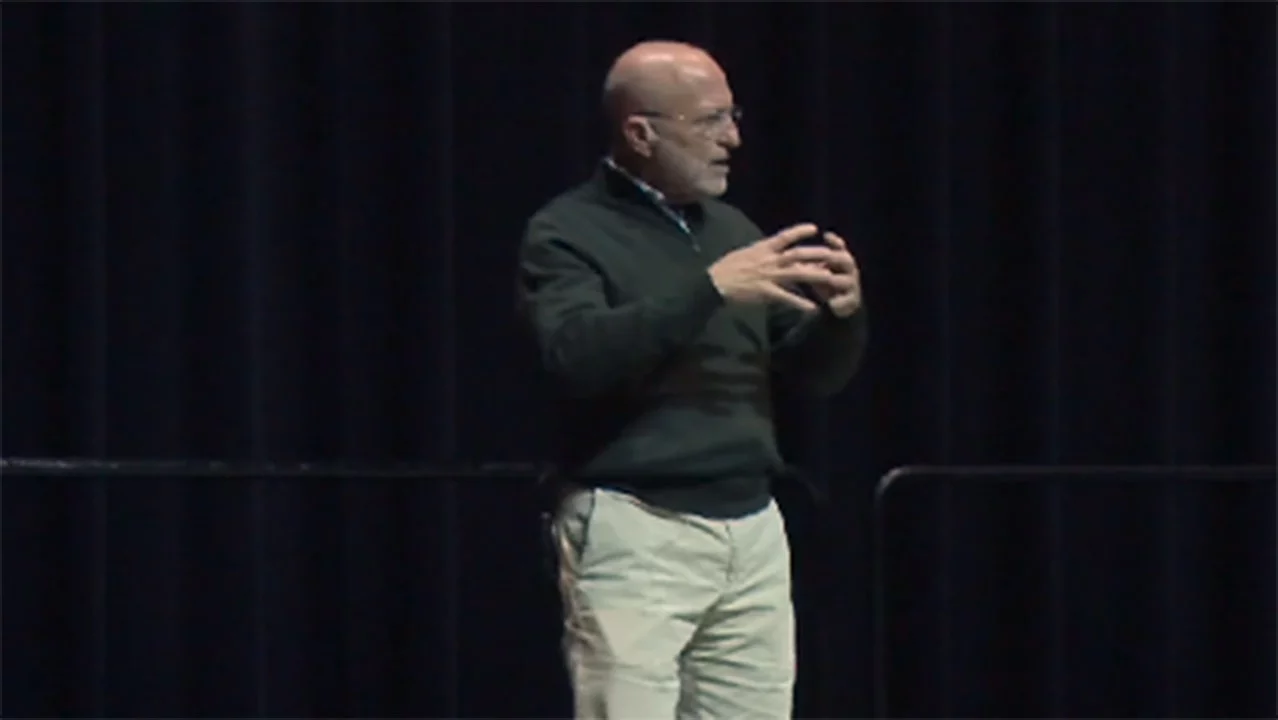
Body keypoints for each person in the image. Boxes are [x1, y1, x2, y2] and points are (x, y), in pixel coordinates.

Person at [515, 39, 868, 720]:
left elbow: (813, 375)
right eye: (709, 121)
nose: (732, 139)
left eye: (733, 116)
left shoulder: (732, 230)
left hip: (751, 527)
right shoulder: (567, 232)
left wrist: (841, 318)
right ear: (639, 133)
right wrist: (708, 290)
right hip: (639, 526)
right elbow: (574, 356)